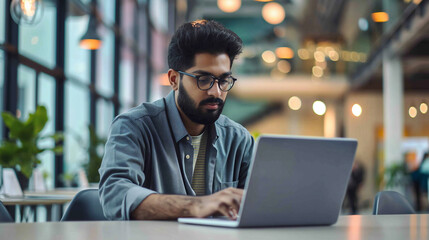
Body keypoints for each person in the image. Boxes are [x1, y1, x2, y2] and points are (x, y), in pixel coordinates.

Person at [98, 20, 255, 220]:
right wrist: (196, 206)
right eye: (203, 79)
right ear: (174, 80)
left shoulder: (239, 139)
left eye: (223, 80)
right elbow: (115, 194)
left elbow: (256, 206)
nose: (216, 91)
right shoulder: (134, 126)